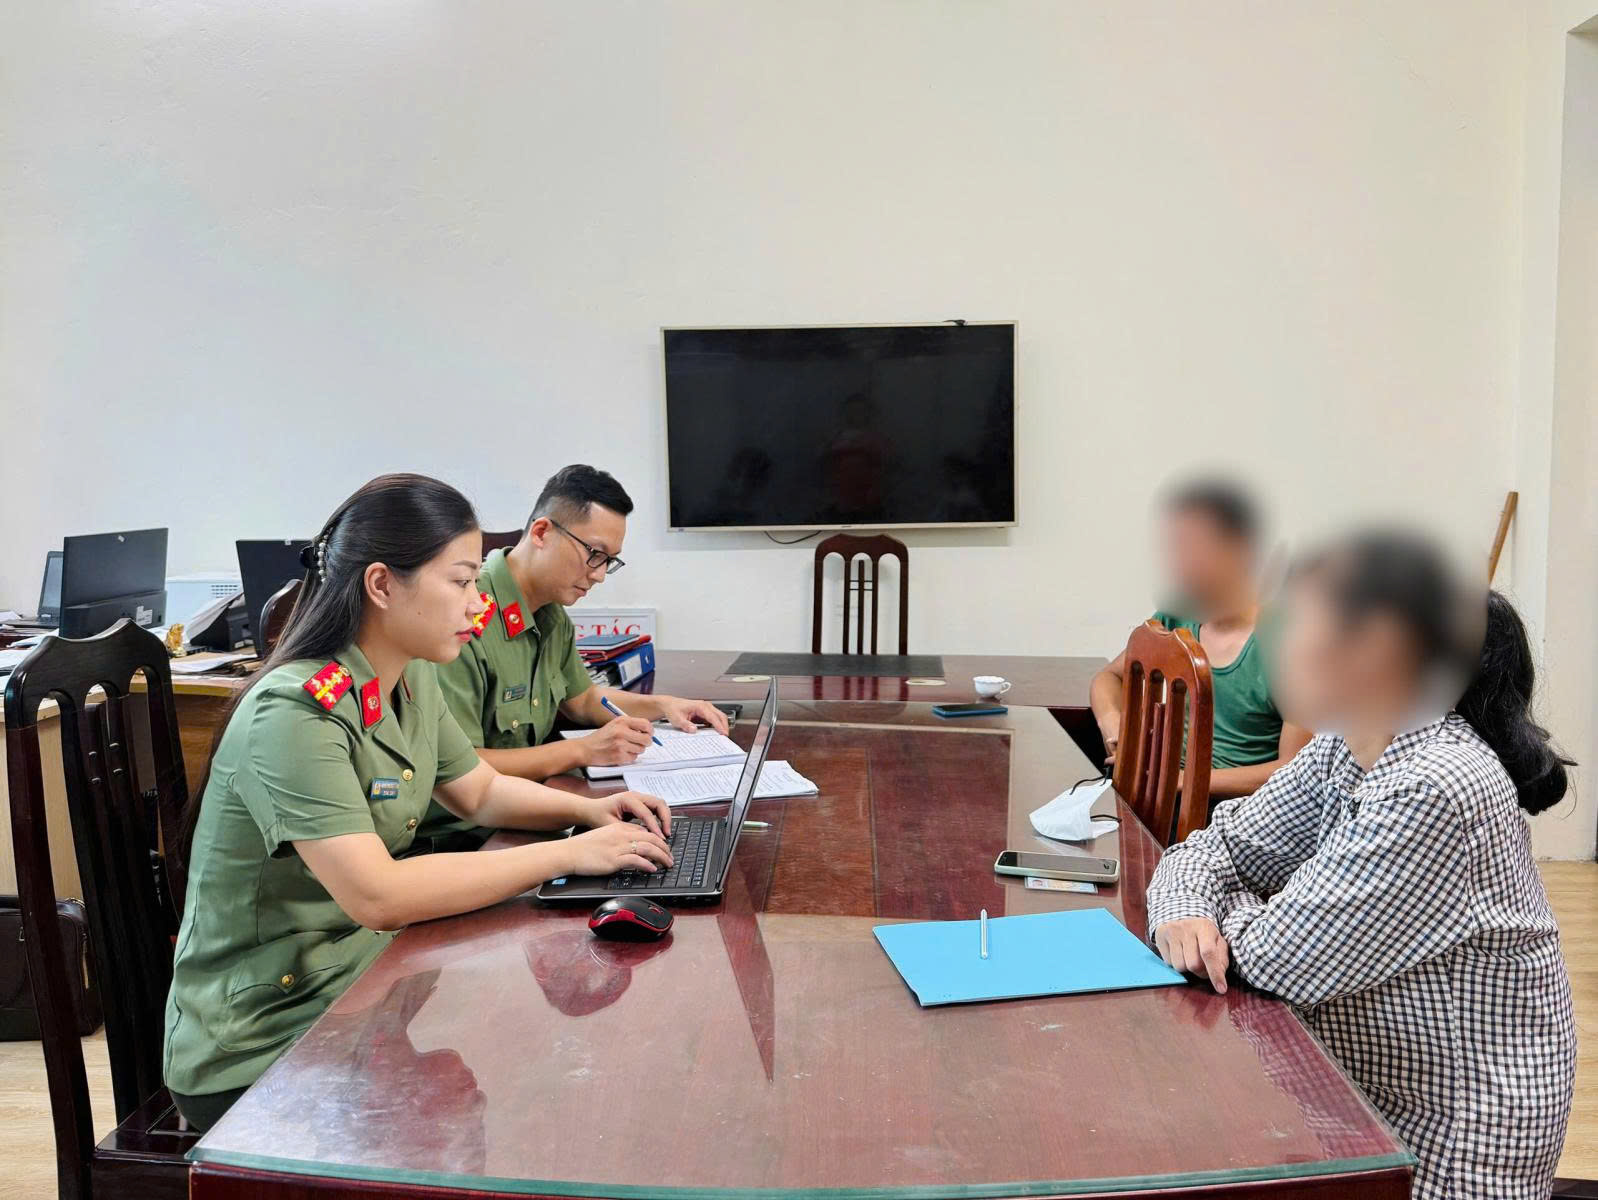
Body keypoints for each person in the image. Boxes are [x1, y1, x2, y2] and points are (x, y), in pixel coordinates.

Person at [163, 474, 675, 1132]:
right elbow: (379, 896)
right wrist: (569, 854)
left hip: (361, 981)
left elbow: (479, 790)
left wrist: (591, 813)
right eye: (460, 582)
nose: (476, 603)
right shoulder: (295, 712)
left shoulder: (409, 678)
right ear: (381, 585)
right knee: (528, 1099)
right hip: (264, 1037)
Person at [1147, 530, 1576, 1199]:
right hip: (1354, 1098)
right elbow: (1213, 845)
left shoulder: (1437, 785)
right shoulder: (1344, 744)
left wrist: (1227, 910)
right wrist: (1183, 908)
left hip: (1447, 1150)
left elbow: (1278, 961)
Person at [426, 465, 727, 848]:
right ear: (541, 532)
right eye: (594, 554)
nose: (599, 575)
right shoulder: (466, 618)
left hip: (531, 811)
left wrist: (664, 706)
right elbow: (462, 766)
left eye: (609, 561)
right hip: (465, 836)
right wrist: (581, 751)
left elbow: (582, 698)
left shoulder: (550, 612)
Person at [1090, 479, 1310, 800]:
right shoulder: (1176, 616)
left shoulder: (1292, 647)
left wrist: (1178, 781)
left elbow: (1294, 771)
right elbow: (1109, 677)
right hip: (1161, 793)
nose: (1182, 563)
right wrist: (1113, 723)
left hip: (1232, 810)